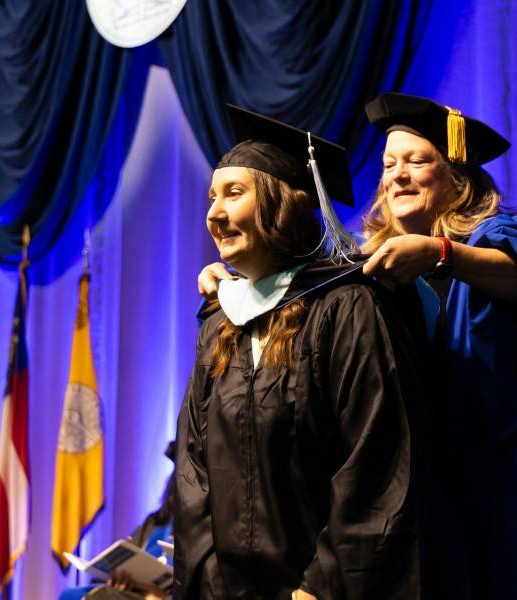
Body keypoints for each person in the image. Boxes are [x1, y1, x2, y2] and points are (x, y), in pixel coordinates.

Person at [197, 93, 517, 600]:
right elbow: (294, 290)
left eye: (418, 161)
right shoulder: (365, 260)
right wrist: (236, 281)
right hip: (412, 481)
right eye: (389, 164)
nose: (398, 175)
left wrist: (441, 253)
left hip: (495, 478)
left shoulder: (495, 237)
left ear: (458, 174)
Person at [175, 106, 433, 600]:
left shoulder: (346, 306)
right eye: (212, 197)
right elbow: (193, 467)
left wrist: (320, 587)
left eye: (234, 193)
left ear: (284, 205)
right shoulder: (218, 324)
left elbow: (373, 459)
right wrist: (209, 578)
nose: (213, 213)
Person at [59, 444, 175, 600]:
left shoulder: (205, 528)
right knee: (70, 596)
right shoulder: (155, 522)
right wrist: (118, 578)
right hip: (134, 590)